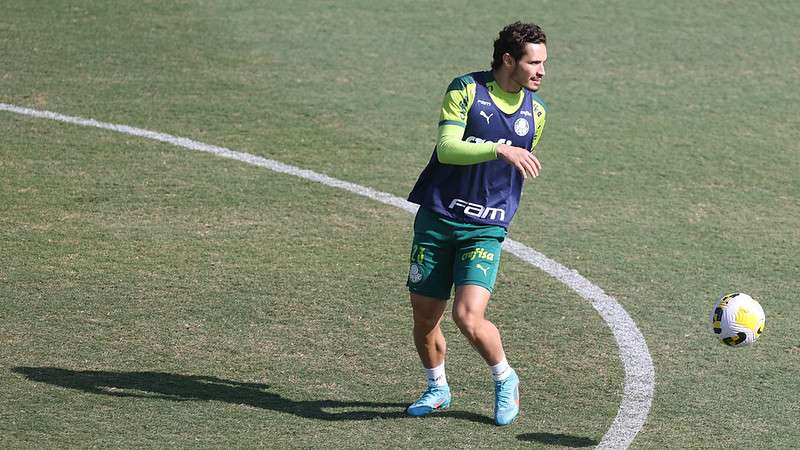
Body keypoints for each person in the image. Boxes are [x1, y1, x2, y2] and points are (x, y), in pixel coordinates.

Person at [404, 22, 548, 426]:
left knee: (468, 316)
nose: (540, 72)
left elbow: (509, 174)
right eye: (533, 63)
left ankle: (505, 377)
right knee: (425, 317)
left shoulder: (535, 114)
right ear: (508, 60)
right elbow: (448, 150)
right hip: (438, 218)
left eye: (543, 63)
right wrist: (499, 149)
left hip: (484, 226)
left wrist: (502, 166)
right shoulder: (466, 90)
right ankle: (437, 388)